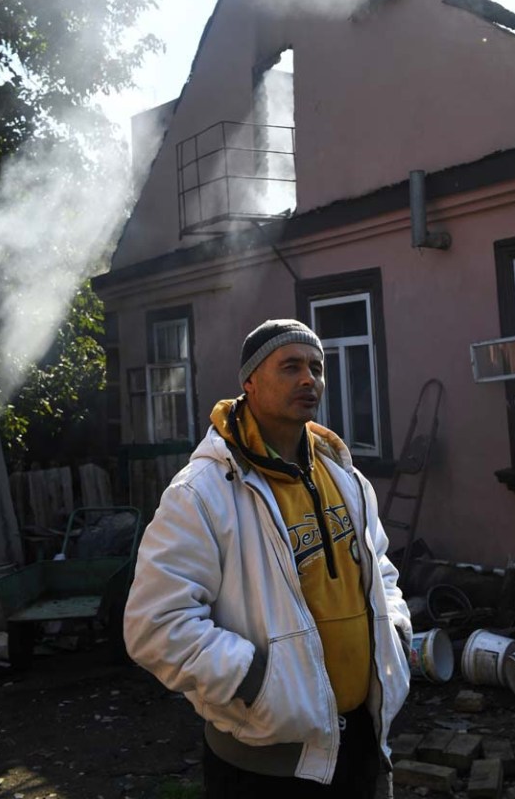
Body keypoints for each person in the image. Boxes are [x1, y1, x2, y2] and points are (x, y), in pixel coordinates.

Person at [123, 318, 412, 798]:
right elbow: (155, 625)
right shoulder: (202, 493)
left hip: (361, 738)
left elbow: (380, 567)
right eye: (291, 367)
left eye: (316, 368)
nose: (309, 380)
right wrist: (256, 680)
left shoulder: (344, 477)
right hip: (263, 764)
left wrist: (396, 632)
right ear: (250, 382)